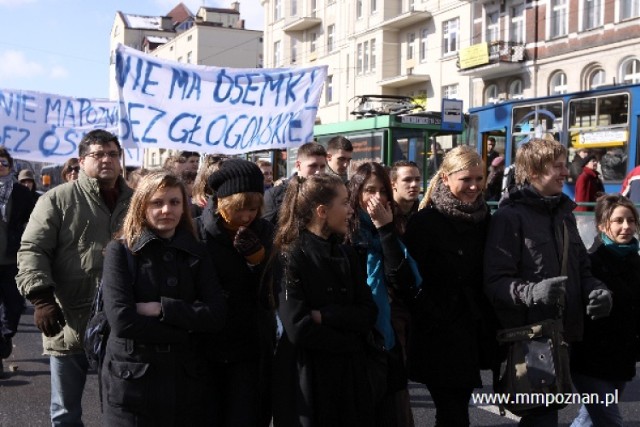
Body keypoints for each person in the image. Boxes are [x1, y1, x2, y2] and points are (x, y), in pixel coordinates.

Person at [484, 137, 612, 426]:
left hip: (568, 335)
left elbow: (583, 268)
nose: (566, 172)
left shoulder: (564, 215)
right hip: (533, 339)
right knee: (542, 419)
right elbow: (494, 282)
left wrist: (598, 292)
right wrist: (533, 292)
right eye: (557, 166)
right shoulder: (509, 217)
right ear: (533, 172)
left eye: (564, 165)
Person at [16, 129, 133, 426]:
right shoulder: (57, 199)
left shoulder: (137, 201)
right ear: (82, 161)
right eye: (97, 154)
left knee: (123, 408)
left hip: (123, 322)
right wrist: (41, 298)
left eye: (112, 154)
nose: (106, 159)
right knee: (65, 411)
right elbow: (33, 249)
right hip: (69, 319)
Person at [100, 170, 226, 425]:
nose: (166, 210)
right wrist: (187, 328)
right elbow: (122, 321)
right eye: (157, 203)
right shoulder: (121, 251)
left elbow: (216, 315)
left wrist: (161, 309)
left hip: (185, 381)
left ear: (184, 207)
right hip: (133, 382)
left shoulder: (197, 252)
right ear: (142, 206)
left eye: (174, 202)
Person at [271, 173, 378, 427]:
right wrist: (349, 335)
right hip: (307, 378)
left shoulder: (346, 252)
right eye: (344, 203)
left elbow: (368, 312)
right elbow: (298, 326)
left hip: (348, 376)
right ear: (321, 210)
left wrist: (327, 315)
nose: (351, 210)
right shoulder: (290, 255)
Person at [404, 146, 499, 427]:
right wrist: (431, 314)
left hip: (472, 330)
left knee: (455, 412)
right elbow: (409, 279)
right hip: (438, 334)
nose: (474, 187)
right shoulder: (425, 222)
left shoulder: (485, 219)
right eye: (466, 180)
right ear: (445, 179)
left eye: (479, 179)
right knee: (454, 413)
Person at [196, 158, 275, 427]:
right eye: (240, 208)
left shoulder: (264, 231)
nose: (247, 216)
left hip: (249, 345)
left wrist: (259, 261)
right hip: (206, 345)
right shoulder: (196, 232)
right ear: (222, 202)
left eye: (253, 209)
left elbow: (274, 288)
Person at [347, 162, 420, 427]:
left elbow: (402, 280)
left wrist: (385, 229)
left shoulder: (393, 224)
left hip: (388, 331)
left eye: (382, 190)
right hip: (357, 333)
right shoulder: (345, 229)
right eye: (369, 190)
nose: (377, 198)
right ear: (356, 193)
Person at [570, 194, 640, 427]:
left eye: (631, 220)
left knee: (588, 420)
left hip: (622, 361)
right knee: (610, 422)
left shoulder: (635, 262)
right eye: (618, 221)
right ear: (602, 225)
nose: (626, 227)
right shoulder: (592, 263)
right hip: (591, 361)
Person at [0, 148, 35, 377]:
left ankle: (5, 336)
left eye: (3, 161)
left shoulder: (22, 194)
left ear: (10, 165)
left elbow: (38, 217)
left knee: (13, 306)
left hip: (11, 260)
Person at [262, 142, 327, 226]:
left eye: (322, 167)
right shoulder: (275, 195)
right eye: (313, 166)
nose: (318, 171)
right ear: (298, 165)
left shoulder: (328, 193)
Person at [390, 160, 421, 234]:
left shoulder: (424, 213)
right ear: (393, 185)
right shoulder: (384, 214)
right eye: (407, 180)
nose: (414, 184)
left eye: (417, 179)